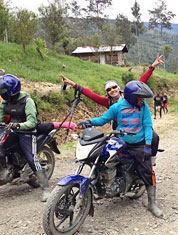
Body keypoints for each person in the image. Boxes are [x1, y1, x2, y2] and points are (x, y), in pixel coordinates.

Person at [60, 53, 164, 166]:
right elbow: (90, 94)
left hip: (137, 125)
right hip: (120, 128)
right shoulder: (108, 102)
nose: (112, 90)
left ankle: (151, 161)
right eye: (109, 89)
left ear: (119, 89)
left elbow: (141, 81)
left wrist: (152, 66)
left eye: (114, 87)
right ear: (107, 93)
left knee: (154, 137)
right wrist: (73, 84)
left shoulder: (130, 96)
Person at [78, 81, 163, 217]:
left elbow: (147, 125)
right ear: (130, 97)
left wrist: (147, 145)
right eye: (139, 98)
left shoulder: (143, 107)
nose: (141, 101)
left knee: (147, 170)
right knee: (102, 157)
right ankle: (102, 185)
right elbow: (103, 119)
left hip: (138, 144)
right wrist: (89, 122)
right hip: (120, 141)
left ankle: (152, 203)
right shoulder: (117, 107)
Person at [0, 74, 50, 202]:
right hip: (11, 129)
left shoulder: (27, 101)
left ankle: (46, 189)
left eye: (4, 91)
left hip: (27, 132)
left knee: (31, 158)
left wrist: (18, 125)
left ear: (12, 90)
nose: (2, 93)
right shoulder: (5, 102)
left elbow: (32, 122)